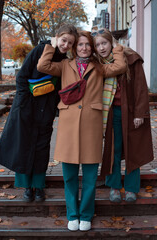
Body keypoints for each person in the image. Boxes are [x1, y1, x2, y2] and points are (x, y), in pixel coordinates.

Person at [37, 30, 126, 231]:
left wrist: (117, 46)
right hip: (68, 125)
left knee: (89, 177)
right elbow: (42, 65)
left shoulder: (100, 67)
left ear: (92, 48)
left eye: (87, 45)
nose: (84, 48)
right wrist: (52, 44)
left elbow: (120, 66)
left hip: (91, 125)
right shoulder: (64, 66)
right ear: (74, 47)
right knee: (68, 176)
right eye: (80, 45)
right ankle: (72, 215)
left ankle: (85, 214)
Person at [0, 24, 78, 202]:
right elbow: (21, 77)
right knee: (23, 145)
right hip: (26, 108)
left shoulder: (65, 60)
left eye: (70, 43)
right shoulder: (40, 49)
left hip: (46, 111)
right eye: (64, 40)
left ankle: (39, 186)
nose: (66, 45)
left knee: (41, 148)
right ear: (57, 37)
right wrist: (24, 102)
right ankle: (27, 186)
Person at [92, 28, 154, 203]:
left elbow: (141, 88)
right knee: (114, 149)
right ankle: (114, 187)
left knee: (133, 150)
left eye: (104, 43)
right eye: (98, 45)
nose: (102, 48)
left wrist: (140, 113)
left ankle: (131, 188)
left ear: (112, 42)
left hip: (132, 113)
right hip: (112, 114)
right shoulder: (99, 64)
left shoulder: (130, 58)